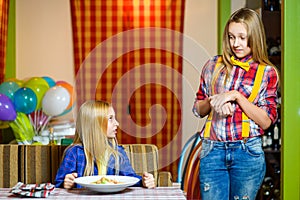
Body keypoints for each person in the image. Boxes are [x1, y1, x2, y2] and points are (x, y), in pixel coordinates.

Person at [192, 8, 279, 200]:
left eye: (242, 37)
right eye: (231, 37)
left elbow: (266, 121)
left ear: (254, 37)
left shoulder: (267, 72)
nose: (235, 44)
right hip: (212, 151)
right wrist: (214, 101)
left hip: (246, 153)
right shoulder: (213, 65)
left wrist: (236, 96)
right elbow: (198, 109)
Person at [55, 100, 155, 189]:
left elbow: (130, 179)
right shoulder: (74, 153)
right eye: (110, 118)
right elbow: (60, 183)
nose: (117, 123)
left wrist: (144, 181)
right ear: (95, 124)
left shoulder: (118, 152)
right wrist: (66, 183)